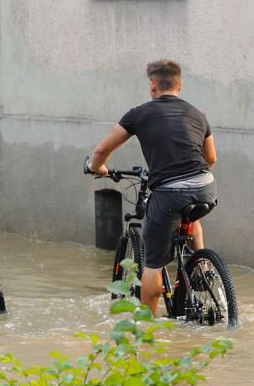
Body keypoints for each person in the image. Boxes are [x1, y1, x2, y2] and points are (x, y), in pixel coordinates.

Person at [87, 59, 217, 317]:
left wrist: (97, 167)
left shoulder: (139, 113)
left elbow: (102, 150)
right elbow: (211, 159)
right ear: (180, 86)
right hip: (206, 188)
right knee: (190, 214)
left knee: (152, 262)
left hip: (169, 193)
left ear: (153, 86)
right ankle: (202, 265)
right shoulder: (197, 114)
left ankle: (149, 329)